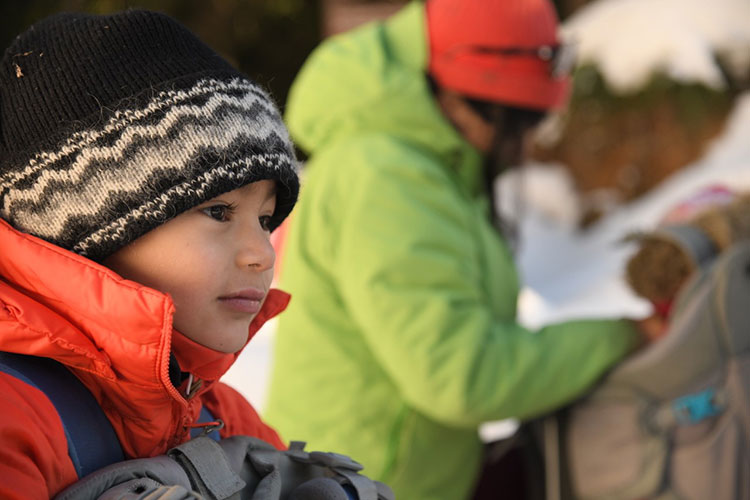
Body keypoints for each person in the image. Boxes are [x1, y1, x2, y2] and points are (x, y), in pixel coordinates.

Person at [265, 1, 653, 499]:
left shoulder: (421, 163)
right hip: (365, 486)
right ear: (462, 102)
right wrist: (622, 338)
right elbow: (460, 375)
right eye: (520, 122)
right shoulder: (388, 179)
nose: (528, 143)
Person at [0, 9, 300, 498]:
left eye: (265, 220)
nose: (261, 256)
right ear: (90, 226)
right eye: (219, 212)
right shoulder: (13, 416)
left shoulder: (224, 419)